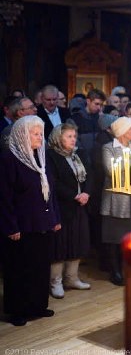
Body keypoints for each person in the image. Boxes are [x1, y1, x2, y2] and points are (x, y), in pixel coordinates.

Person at [0, 115, 61, 327]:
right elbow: (4, 197)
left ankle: (37, 305)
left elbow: (50, 191)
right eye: (35, 134)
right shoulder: (9, 159)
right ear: (22, 135)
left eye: (40, 133)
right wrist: (11, 226)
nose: (39, 137)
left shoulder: (40, 157)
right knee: (19, 268)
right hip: (20, 225)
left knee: (40, 266)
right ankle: (18, 310)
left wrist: (54, 217)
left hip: (42, 222)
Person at [47, 123, 91, 298]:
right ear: (59, 138)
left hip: (80, 205)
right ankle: (55, 282)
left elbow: (89, 175)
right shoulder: (51, 156)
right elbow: (53, 182)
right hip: (62, 206)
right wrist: (74, 195)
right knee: (60, 245)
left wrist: (86, 192)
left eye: (74, 136)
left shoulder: (77, 154)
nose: (73, 139)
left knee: (77, 241)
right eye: (69, 136)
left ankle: (71, 278)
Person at [101, 117, 131, 286]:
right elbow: (111, 171)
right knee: (115, 236)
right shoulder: (108, 148)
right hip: (117, 199)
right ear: (122, 132)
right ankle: (115, 271)